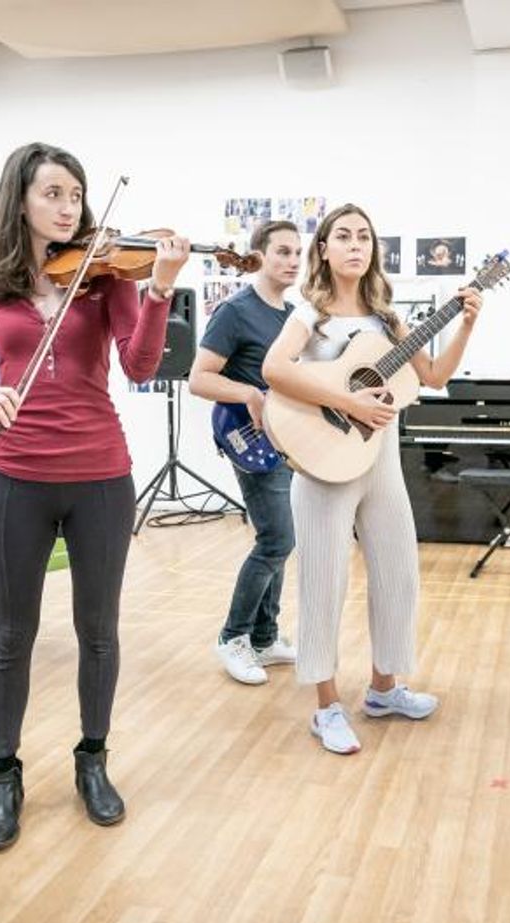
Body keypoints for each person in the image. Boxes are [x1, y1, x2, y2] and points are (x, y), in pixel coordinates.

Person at [0, 142, 189, 851]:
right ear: (21, 200)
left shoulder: (106, 278)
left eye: (76, 194)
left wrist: (158, 289)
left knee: (99, 630)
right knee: (11, 636)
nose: (68, 207)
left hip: (101, 473)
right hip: (16, 477)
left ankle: (92, 760)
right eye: (53, 194)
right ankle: (4, 775)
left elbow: (141, 364)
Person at [261, 204, 482, 755]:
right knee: (324, 582)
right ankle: (327, 706)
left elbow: (433, 376)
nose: (355, 244)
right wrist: (345, 398)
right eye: (344, 236)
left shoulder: (388, 321)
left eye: (364, 236)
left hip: (380, 459)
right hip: (324, 463)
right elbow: (274, 370)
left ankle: (384, 689)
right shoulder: (309, 316)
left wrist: (467, 324)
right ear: (326, 250)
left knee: (398, 571)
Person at [188, 220, 302, 685]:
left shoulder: (292, 315)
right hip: (247, 439)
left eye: (298, 253)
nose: (293, 260)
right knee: (277, 539)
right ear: (259, 255)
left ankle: (264, 636)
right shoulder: (236, 311)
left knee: (279, 537)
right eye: (282, 252)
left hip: (285, 441)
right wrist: (249, 394)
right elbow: (199, 378)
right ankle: (232, 637)